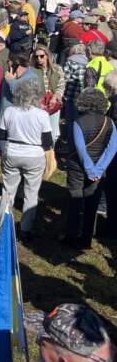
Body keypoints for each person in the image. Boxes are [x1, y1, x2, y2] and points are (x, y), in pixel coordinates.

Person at [0, 79, 52, 242]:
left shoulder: (9, 111)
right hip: (34, 154)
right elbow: (48, 141)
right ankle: (26, 229)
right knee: (31, 192)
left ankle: (2, 224)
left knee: (8, 190)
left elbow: (1, 135)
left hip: (13, 151)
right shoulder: (42, 115)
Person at [65, 88, 117, 248]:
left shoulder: (78, 122)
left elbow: (80, 149)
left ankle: (71, 236)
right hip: (98, 169)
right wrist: (99, 170)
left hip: (77, 168)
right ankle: (86, 238)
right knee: (92, 203)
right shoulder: (110, 122)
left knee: (75, 201)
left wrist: (89, 169)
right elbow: (112, 148)